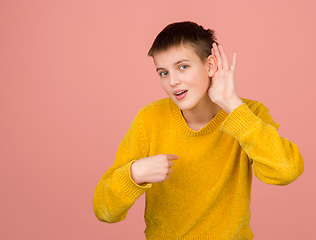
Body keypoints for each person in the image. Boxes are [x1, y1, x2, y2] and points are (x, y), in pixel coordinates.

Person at [93, 21, 304, 239]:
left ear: (211, 65)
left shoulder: (247, 113)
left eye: (183, 66)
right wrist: (134, 174)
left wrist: (231, 104)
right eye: (163, 73)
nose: (173, 81)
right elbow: (104, 210)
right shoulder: (149, 119)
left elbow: (286, 171)